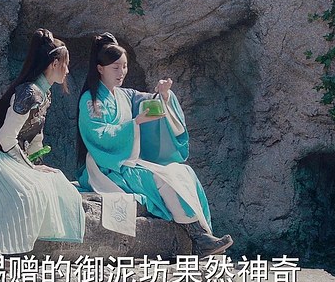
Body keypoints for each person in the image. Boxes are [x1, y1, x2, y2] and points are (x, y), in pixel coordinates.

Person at [76, 32, 232, 256]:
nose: (122, 72)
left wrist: (163, 95)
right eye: (115, 67)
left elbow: (148, 101)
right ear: (100, 68)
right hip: (107, 165)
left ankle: (202, 233)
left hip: (127, 160)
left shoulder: (124, 95)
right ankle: (197, 238)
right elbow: (99, 135)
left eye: (124, 66)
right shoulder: (91, 101)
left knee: (182, 172)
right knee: (162, 179)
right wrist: (135, 123)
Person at [0, 29, 85, 260]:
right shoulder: (29, 93)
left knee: (55, 180)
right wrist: (29, 168)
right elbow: (6, 137)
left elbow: (35, 136)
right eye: (66, 64)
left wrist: (37, 164)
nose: (68, 70)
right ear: (54, 64)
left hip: (13, 157)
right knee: (28, 191)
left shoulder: (44, 93)